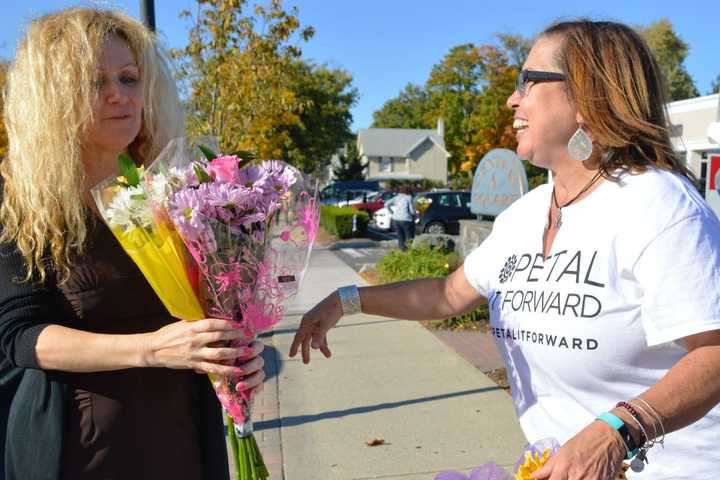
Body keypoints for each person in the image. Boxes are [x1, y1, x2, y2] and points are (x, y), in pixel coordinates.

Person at [290, 19, 720, 480]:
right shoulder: (526, 213)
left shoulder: (659, 204)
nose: (512, 99)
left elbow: (713, 353)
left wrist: (614, 432)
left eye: (528, 82)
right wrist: (345, 301)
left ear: (586, 98)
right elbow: (448, 294)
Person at [0, 8, 264, 480]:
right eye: (94, 81)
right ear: (52, 97)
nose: (119, 96)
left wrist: (234, 357)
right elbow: (20, 337)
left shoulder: (172, 189)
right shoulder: (20, 202)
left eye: (128, 78)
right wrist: (152, 349)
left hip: (183, 440)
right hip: (80, 449)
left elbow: (212, 307)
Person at [384, 186, 417, 250]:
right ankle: (408, 252)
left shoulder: (397, 197)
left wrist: (392, 212)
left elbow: (386, 204)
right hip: (406, 220)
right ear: (409, 191)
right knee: (409, 238)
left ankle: (402, 252)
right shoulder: (409, 197)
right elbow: (412, 211)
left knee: (400, 238)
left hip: (395, 219)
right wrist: (416, 214)